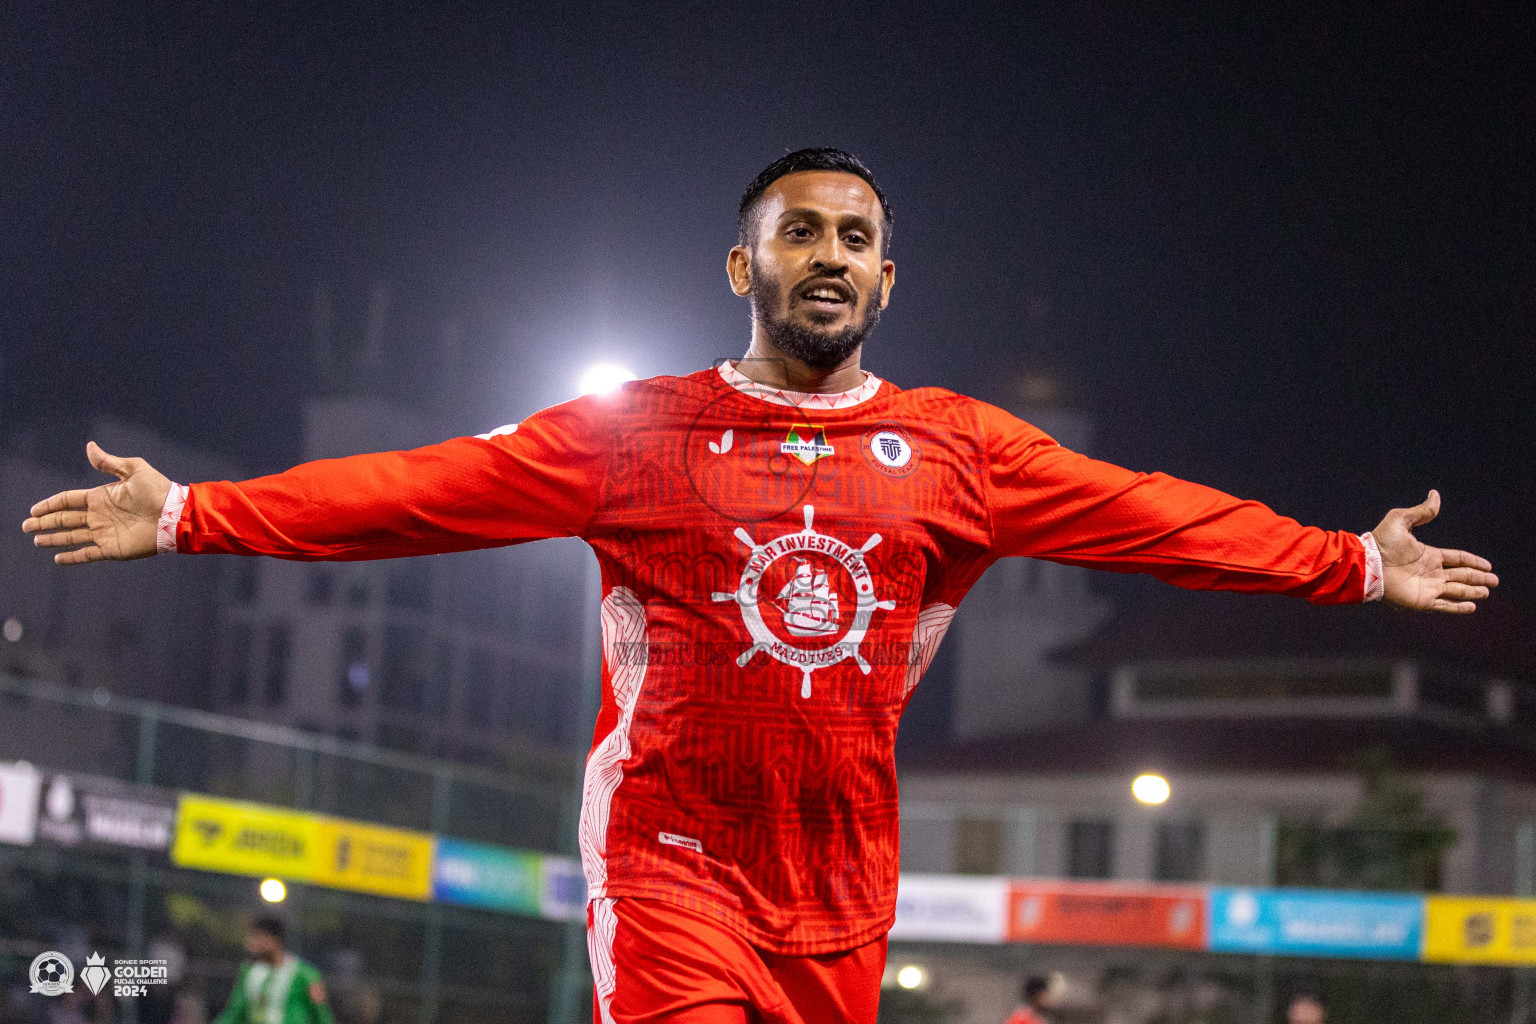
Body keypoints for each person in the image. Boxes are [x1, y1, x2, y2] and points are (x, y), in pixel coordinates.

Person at [23, 148, 1497, 1024]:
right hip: (670, 856)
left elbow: (1159, 518)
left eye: (858, 238)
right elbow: (427, 489)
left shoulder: (959, 452)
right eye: (803, 231)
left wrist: (1355, 564)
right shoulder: (636, 435)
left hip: (843, 885)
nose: (832, 256)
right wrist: (202, 513)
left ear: (888, 282)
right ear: (743, 261)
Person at [211, 917, 332, 1024]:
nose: (250, 943)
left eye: (256, 937)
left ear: (274, 940)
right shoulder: (248, 971)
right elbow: (235, 1012)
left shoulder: (305, 974)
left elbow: (321, 1015)